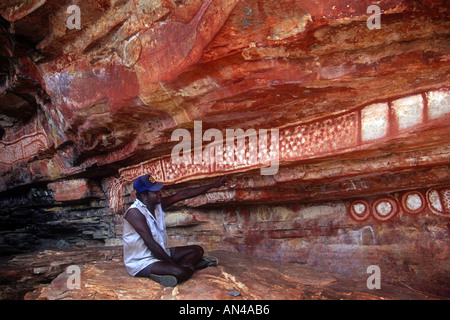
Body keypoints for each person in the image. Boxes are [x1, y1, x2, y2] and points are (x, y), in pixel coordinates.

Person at [123, 174, 228, 287]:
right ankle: (187, 267)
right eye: (155, 192)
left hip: (160, 252)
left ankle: (185, 267)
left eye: (159, 190)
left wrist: (214, 185)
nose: (160, 193)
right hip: (142, 262)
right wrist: (174, 265)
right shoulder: (134, 213)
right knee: (180, 272)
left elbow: (183, 195)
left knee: (197, 250)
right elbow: (151, 244)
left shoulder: (156, 204)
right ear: (144, 195)